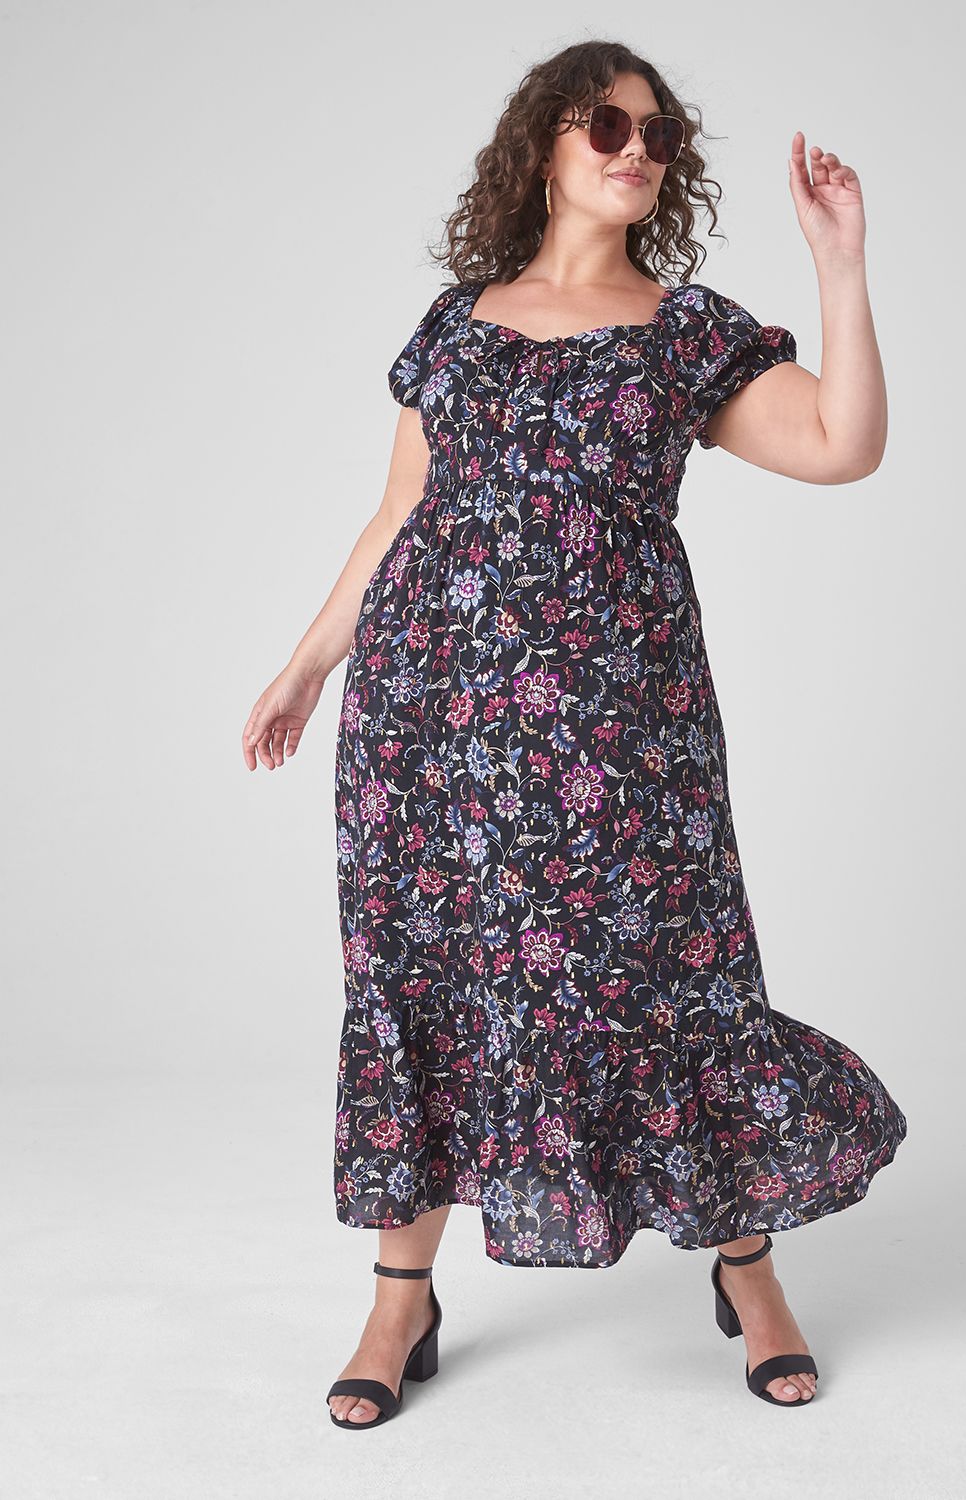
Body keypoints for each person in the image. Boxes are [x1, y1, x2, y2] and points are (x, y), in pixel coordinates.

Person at [242, 39, 907, 1428]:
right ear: (544, 145)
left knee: (675, 980)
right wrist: (307, 663)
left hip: (621, 732)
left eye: (656, 135)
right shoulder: (457, 323)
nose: (635, 149)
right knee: (427, 983)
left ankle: (748, 1271)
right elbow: (399, 516)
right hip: (426, 723)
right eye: (607, 124)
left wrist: (838, 265)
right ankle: (400, 1297)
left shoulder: (684, 332)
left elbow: (841, 444)